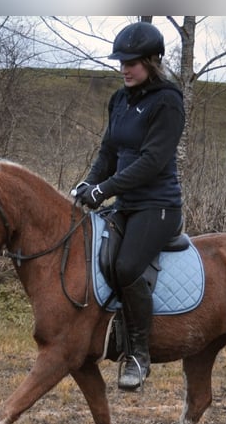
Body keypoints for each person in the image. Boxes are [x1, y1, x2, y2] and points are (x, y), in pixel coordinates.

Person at [74, 21, 185, 391]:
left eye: (132, 62)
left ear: (152, 61)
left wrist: (103, 189)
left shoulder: (168, 101)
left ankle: (138, 355)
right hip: (126, 204)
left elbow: (151, 162)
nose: (124, 68)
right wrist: (90, 183)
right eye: (120, 61)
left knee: (126, 264)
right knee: (99, 257)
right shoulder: (120, 99)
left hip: (159, 207)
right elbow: (109, 150)